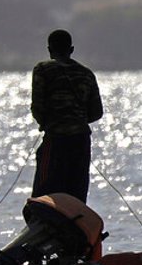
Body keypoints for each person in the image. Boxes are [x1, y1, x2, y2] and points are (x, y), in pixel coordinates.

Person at [30, 28, 103, 202]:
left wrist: (49, 123)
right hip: (81, 141)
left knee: (44, 190)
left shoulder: (42, 69)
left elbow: (37, 107)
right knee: (76, 191)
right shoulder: (87, 74)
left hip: (55, 139)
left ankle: (43, 222)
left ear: (49, 50)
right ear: (71, 49)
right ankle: (74, 223)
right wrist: (76, 122)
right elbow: (97, 112)